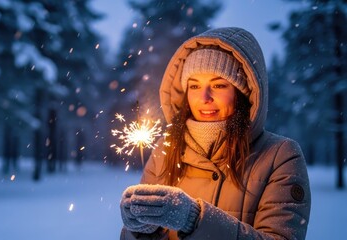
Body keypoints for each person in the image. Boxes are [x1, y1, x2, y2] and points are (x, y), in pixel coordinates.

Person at [119, 27, 311, 240]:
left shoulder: (280, 156)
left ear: (242, 92)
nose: (204, 97)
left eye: (219, 85)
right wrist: (138, 230)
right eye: (194, 86)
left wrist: (195, 220)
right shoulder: (165, 151)